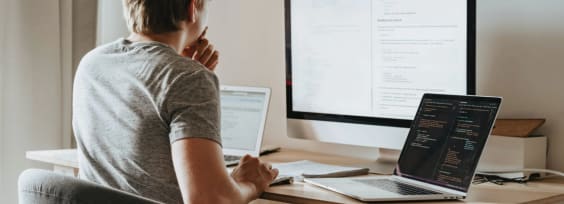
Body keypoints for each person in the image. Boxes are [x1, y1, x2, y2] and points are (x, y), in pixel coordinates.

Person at [72, 0, 279, 203]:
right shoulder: (188, 77)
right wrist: (249, 184)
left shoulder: (92, 63)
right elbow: (209, 200)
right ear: (192, 8)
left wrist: (184, 67)